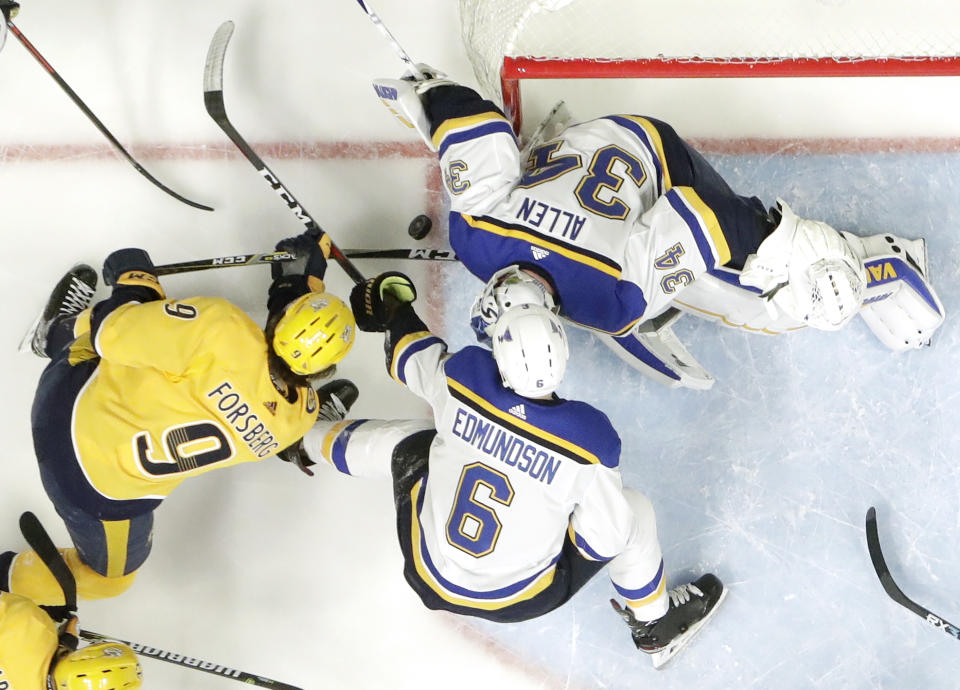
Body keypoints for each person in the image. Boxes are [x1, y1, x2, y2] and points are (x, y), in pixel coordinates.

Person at [372, 68, 945, 389]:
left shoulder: (612, 299)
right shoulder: (473, 236)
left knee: (763, 308)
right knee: (656, 275)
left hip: (658, 160)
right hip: (591, 144)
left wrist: (798, 252)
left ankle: (880, 264)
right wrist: (426, 97)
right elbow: (472, 121)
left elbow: (712, 218)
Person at [280, 270, 726, 668]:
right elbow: (608, 534)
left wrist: (394, 306)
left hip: (428, 569)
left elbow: (410, 359)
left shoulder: (463, 377)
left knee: (411, 443)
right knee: (634, 512)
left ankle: (299, 438)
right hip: (518, 598)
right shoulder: (589, 437)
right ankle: (655, 625)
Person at [3, 229, 359, 607]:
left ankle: (52, 332)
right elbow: (280, 356)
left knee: (131, 327)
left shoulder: (220, 329)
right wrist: (301, 282)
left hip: (63, 408)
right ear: (325, 372)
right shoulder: (295, 418)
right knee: (109, 582)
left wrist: (135, 284)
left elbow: (115, 331)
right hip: (94, 495)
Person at [1, 513, 143, 690]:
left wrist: (49, 630)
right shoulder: (28, 625)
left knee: (111, 581)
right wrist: (61, 645)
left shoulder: (26, 623)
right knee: (110, 582)